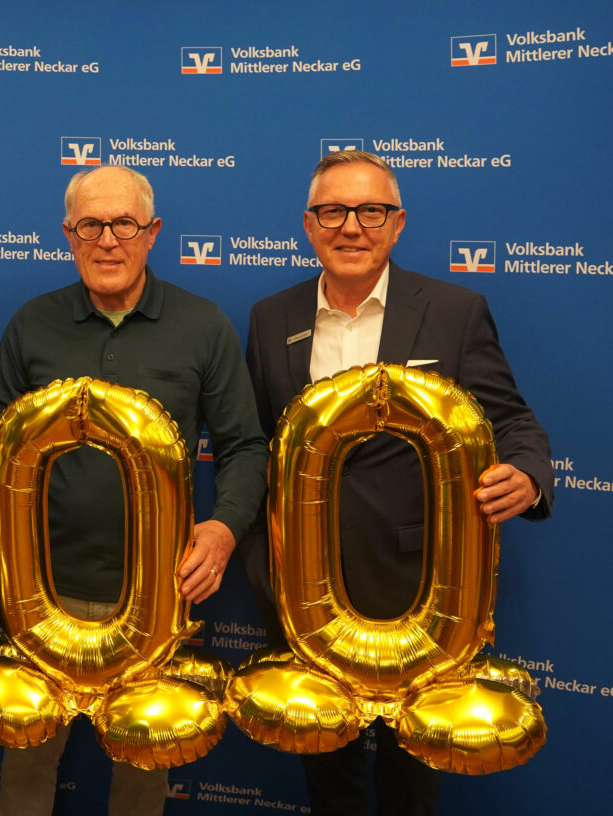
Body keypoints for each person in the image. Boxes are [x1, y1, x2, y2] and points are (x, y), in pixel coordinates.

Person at [242, 150, 553, 816]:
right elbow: (258, 442)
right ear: (309, 224)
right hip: (304, 588)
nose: (352, 227)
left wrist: (527, 474)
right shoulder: (271, 317)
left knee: (412, 779)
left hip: (419, 589)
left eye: (371, 211)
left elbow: (511, 421)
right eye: (333, 211)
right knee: (327, 771)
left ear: (398, 222)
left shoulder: (454, 310)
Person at [0, 165, 268, 815]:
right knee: (28, 760)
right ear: (68, 235)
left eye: (123, 224)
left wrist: (222, 530)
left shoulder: (202, 324)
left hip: (156, 594)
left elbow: (245, 446)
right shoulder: (32, 323)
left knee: (142, 766)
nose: (107, 240)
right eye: (91, 226)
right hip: (39, 588)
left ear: (151, 233)